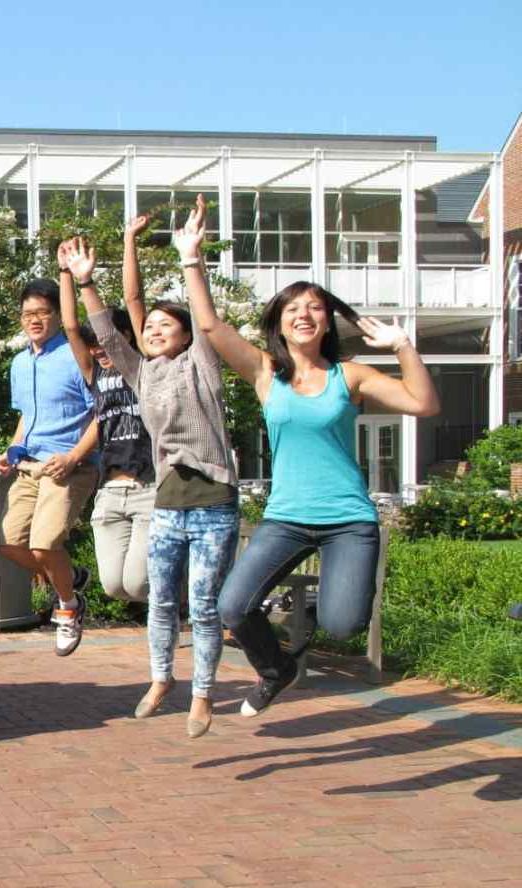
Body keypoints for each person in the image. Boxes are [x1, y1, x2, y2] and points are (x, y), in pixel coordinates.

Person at [177, 194, 439, 717]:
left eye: (315, 307)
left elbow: (423, 404)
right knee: (232, 605)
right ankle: (277, 669)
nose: (305, 314)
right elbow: (209, 327)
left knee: (342, 623)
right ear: (280, 320)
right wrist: (191, 258)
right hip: (287, 518)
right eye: (294, 307)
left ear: (327, 321)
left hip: (347, 520)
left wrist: (404, 345)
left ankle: (298, 651)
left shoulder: (352, 376)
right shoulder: (265, 375)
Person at [62, 231, 241, 738]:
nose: (157, 329)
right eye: (152, 326)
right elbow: (108, 331)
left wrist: (191, 261)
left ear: (185, 336)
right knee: (160, 600)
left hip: (212, 505)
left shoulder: (203, 366)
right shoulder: (141, 374)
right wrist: (86, 281)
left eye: (168, 325)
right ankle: (161, 680)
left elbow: (206, 320)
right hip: (166, 504)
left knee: (203, 606)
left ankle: (202, 694)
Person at [0, 278, 99, 656]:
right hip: (30, 465)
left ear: (58, 315)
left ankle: (68, 608)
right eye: (28, 313)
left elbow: (104, 413)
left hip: (69, 466)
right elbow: (27, 414)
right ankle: (70, 578)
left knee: (44, 544)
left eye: (42, 312)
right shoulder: (20, 363)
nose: (34, 320)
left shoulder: (76, 355)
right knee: (9, 543)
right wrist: (14, 447)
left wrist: (74, 456)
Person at [55, 240, 154, 605]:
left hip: (149, 488)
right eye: (94, 344)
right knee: (114, 587)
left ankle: (191, 586)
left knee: (140, 584)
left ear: (128, 338)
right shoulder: (93, 372)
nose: (100, 348)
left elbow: (134, 299)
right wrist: (65, 272)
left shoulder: (142, 369)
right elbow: (69, 327)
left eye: (105, 342)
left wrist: (126, 243)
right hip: (111, 491)